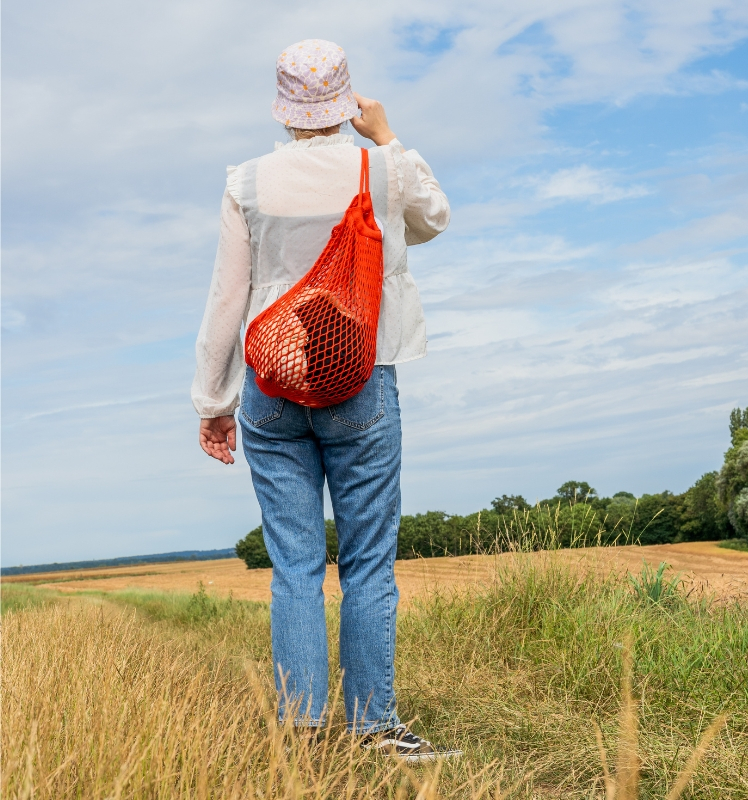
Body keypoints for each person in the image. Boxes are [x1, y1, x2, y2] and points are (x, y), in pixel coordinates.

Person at [191, 39, 458, 761]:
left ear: (283, 108)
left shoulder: (245, 182)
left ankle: (303, 734)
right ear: (346, 100)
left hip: (273, 383)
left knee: (295, 568)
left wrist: (212, 399)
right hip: (362, 377)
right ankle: (374, 729)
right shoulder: (381, 166)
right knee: (369, 562)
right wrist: (390, 136)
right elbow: (435, 219)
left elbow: (227, 296)